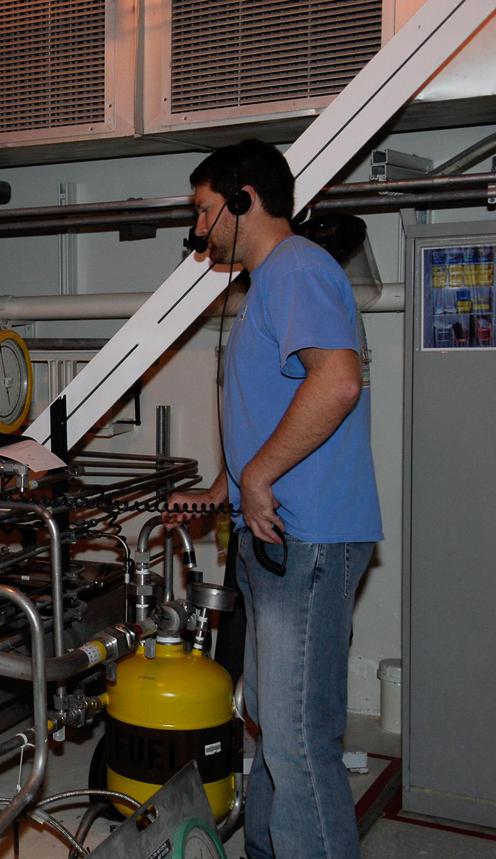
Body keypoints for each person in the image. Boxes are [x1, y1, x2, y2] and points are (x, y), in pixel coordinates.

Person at [166, 139, 382, 858]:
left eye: (204, 210)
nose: (198, 231)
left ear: (244, 198)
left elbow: (337, 382)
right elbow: (277, 407)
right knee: (269, 718)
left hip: (308, 536)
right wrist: (224, 488)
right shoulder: (272, 283)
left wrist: (257, 478)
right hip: (279, 536)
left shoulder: (295, 268)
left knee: (295, 742)